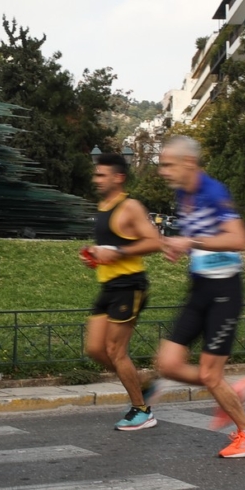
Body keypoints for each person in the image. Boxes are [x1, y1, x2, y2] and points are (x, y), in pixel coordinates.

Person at [147, 136, 245, 458]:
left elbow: (239, 239)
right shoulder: (182, 195)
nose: (163, 171)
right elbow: (198, 238)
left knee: (211, 374)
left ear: (189, 163)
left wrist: (191, 243)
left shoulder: (213, 191)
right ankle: (233, 391)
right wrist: (178, 245)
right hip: (199, 288)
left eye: (168, 164)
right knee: (168, 364)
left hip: (225, 292)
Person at [82, 152, 164, 430]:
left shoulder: (130, 207)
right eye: (96, 174)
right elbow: (109, 247)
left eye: (102, 175)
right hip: (108, 285)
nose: (97, 179)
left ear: (118, 177)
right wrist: (94, 255)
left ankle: (142, 409)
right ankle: (143, 383)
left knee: (116, 351)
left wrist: (116, 251)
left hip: (130, 285)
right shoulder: (103, 206)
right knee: (95, 348)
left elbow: (155, 242)